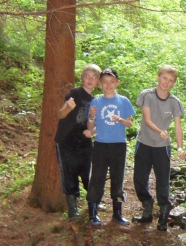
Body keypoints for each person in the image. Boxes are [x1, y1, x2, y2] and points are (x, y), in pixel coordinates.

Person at [133, 65, 185, 231]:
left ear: (173, 83)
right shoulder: (147, 95)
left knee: (162, 181)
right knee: (139, 179)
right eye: (164, 78)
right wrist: (160, 131)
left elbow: (178, 126)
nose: (166, 83)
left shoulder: (174, 102)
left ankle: (163, 215)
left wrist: (180, 147)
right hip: (144, 143)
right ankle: (147, 206)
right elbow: (147, 119)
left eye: (171, 80)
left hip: (162, 147)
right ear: (158, 77)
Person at [86, 68, 135, 226]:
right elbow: (91, 126)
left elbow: (129, 124)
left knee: (117, 178)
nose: (108, 85)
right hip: (100, 145)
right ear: (100, 83)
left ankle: (117, 213)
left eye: (112, 81)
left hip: (119, 145)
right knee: (97, 178)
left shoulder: (123, 101)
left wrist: (120, 119)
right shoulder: (96, 102)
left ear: (117, 83)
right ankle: (93, 212)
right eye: (105, 82)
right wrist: (91, 116)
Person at [55, 63, 101, 219]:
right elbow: (60, 114)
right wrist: (68, 107)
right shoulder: (75, 93)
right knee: (69, 172)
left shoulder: (95, 101)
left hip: (84, 141)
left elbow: (97, 124)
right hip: (66, 140)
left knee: (87, 171)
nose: (90, 80)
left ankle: (93, 202)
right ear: (82, 78)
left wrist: (92, 132)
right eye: (87, 76)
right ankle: (72, 208)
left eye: (94, 77)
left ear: (98, 81)